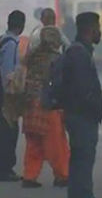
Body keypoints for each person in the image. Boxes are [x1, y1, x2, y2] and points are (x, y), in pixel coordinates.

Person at [59, 12, 102, 198]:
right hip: (81, 114)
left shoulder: (78, 50)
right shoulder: (80, 53)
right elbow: (83, 89)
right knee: (84, 156)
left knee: (78, 155)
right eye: (98, 28)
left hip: (77, 113)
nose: (100, 32)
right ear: (91, 29)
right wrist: (94, 109)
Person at [21, 27, 70, 188]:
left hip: (29, 104)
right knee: (56, 144)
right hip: (48, 105)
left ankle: (29, 175)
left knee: (34, 142)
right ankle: (62, 175)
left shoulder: (31, 57)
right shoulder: (57, 59)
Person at [0, 10, 25, 182]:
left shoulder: (3, 39)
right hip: (8, 96)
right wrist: (12, 94)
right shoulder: (11, 43)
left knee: (7, 130)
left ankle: (3, 168)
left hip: (5, 95)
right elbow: (7, 72)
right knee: (8, 132)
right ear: (22, 25)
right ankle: (4, 169)